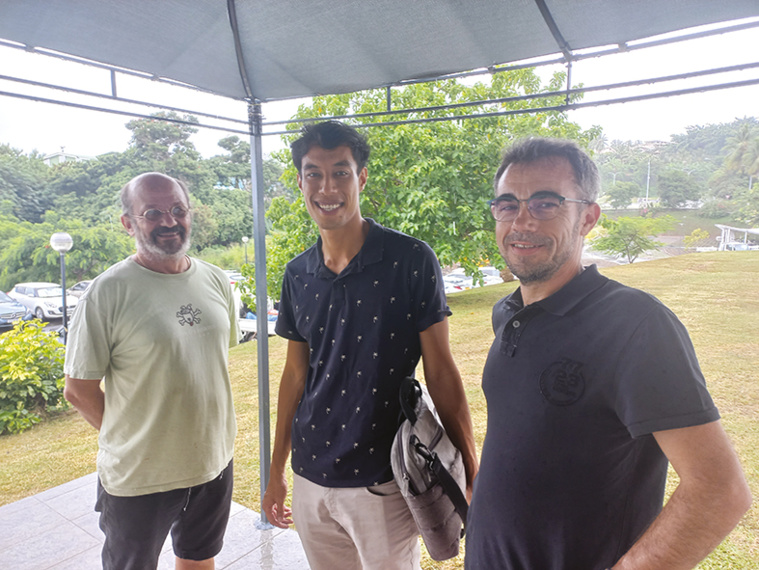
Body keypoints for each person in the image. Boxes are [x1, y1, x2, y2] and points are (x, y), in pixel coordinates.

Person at [465, 138, 752, 569]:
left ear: (588, 217)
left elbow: (719, 491)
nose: (521, 221)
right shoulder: (508, 313)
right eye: (507, 205)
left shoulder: (637, 325)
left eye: (545, 204)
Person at [262, 121, 478, 570]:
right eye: (313, 174)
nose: (327, 187)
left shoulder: (411, 259)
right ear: (300, 181)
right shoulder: (296, 274)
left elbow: (441, 372)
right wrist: (276, 469)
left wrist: (471, 470)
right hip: (310, 477)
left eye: (341, 172)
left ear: (361, 178)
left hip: (383, 481)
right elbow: (294, 377)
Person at [63, 172, 239, 570]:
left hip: (213, 460)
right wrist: (133, 438)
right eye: (152, 213)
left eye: (178, 209)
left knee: (198, 557)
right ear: (128, 223)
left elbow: (206, 362)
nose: (169, 221)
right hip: (141, 475)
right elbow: (78, 388)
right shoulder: (107, 292)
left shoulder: (216, 280)